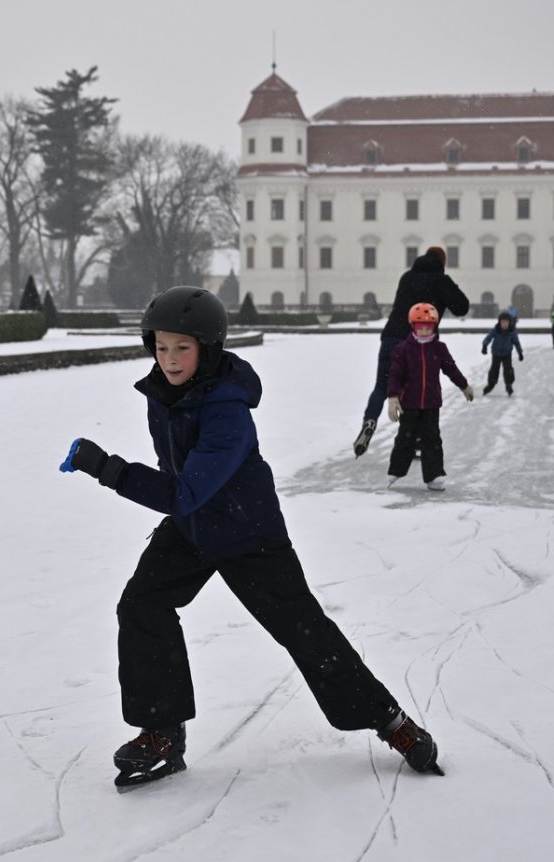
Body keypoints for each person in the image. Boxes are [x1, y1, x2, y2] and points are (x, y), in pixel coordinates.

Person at [60, 286, 444, 790]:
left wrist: (105, 468)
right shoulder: (164, 393)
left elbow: (183, 491)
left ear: (208, 348)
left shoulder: (228, 412)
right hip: (194, 527)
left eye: (182, 348)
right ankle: (161, 732)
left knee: (305, 633)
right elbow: (178, 479)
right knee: (141, 605)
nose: (169, 359)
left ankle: (392, 723)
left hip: (248, 533)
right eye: (160, 346)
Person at [353, 246, 469, 457]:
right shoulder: (441, 280)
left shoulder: (407, 277)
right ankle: (415, 440)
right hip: (418, 344)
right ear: (442, 263)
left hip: (390, 338)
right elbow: (462, 307)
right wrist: (448, 288)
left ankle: (369, 421)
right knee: (415, 392)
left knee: (382, 386)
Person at [386, 302, 474, 490]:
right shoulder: (403, 349)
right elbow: (395, 375)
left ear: (434, 327)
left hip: (431, 403)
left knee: (432, 439)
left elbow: (451, 368)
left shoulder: (439, 348)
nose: (425, 331)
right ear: (413, 327)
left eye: (428, 327)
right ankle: (395, 471)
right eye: (420, 327)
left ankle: (434, 476)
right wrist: (392, 398)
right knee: (405, 438)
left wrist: (464, 385)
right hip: (409, 403)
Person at [481, 311, 524, 396]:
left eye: (506, 322)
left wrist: (520, 353)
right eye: (502, 322)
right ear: (499, 322)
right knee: (494, 369)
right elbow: (488, 338)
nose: (504, 324)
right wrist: (484, 346)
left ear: (509, 322)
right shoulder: (495, 330)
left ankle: (509, 385)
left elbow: (516, 342)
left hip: (507, 354)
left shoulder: (512, 332)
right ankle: (491, 384)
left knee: (508, 370)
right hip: (496, 353)